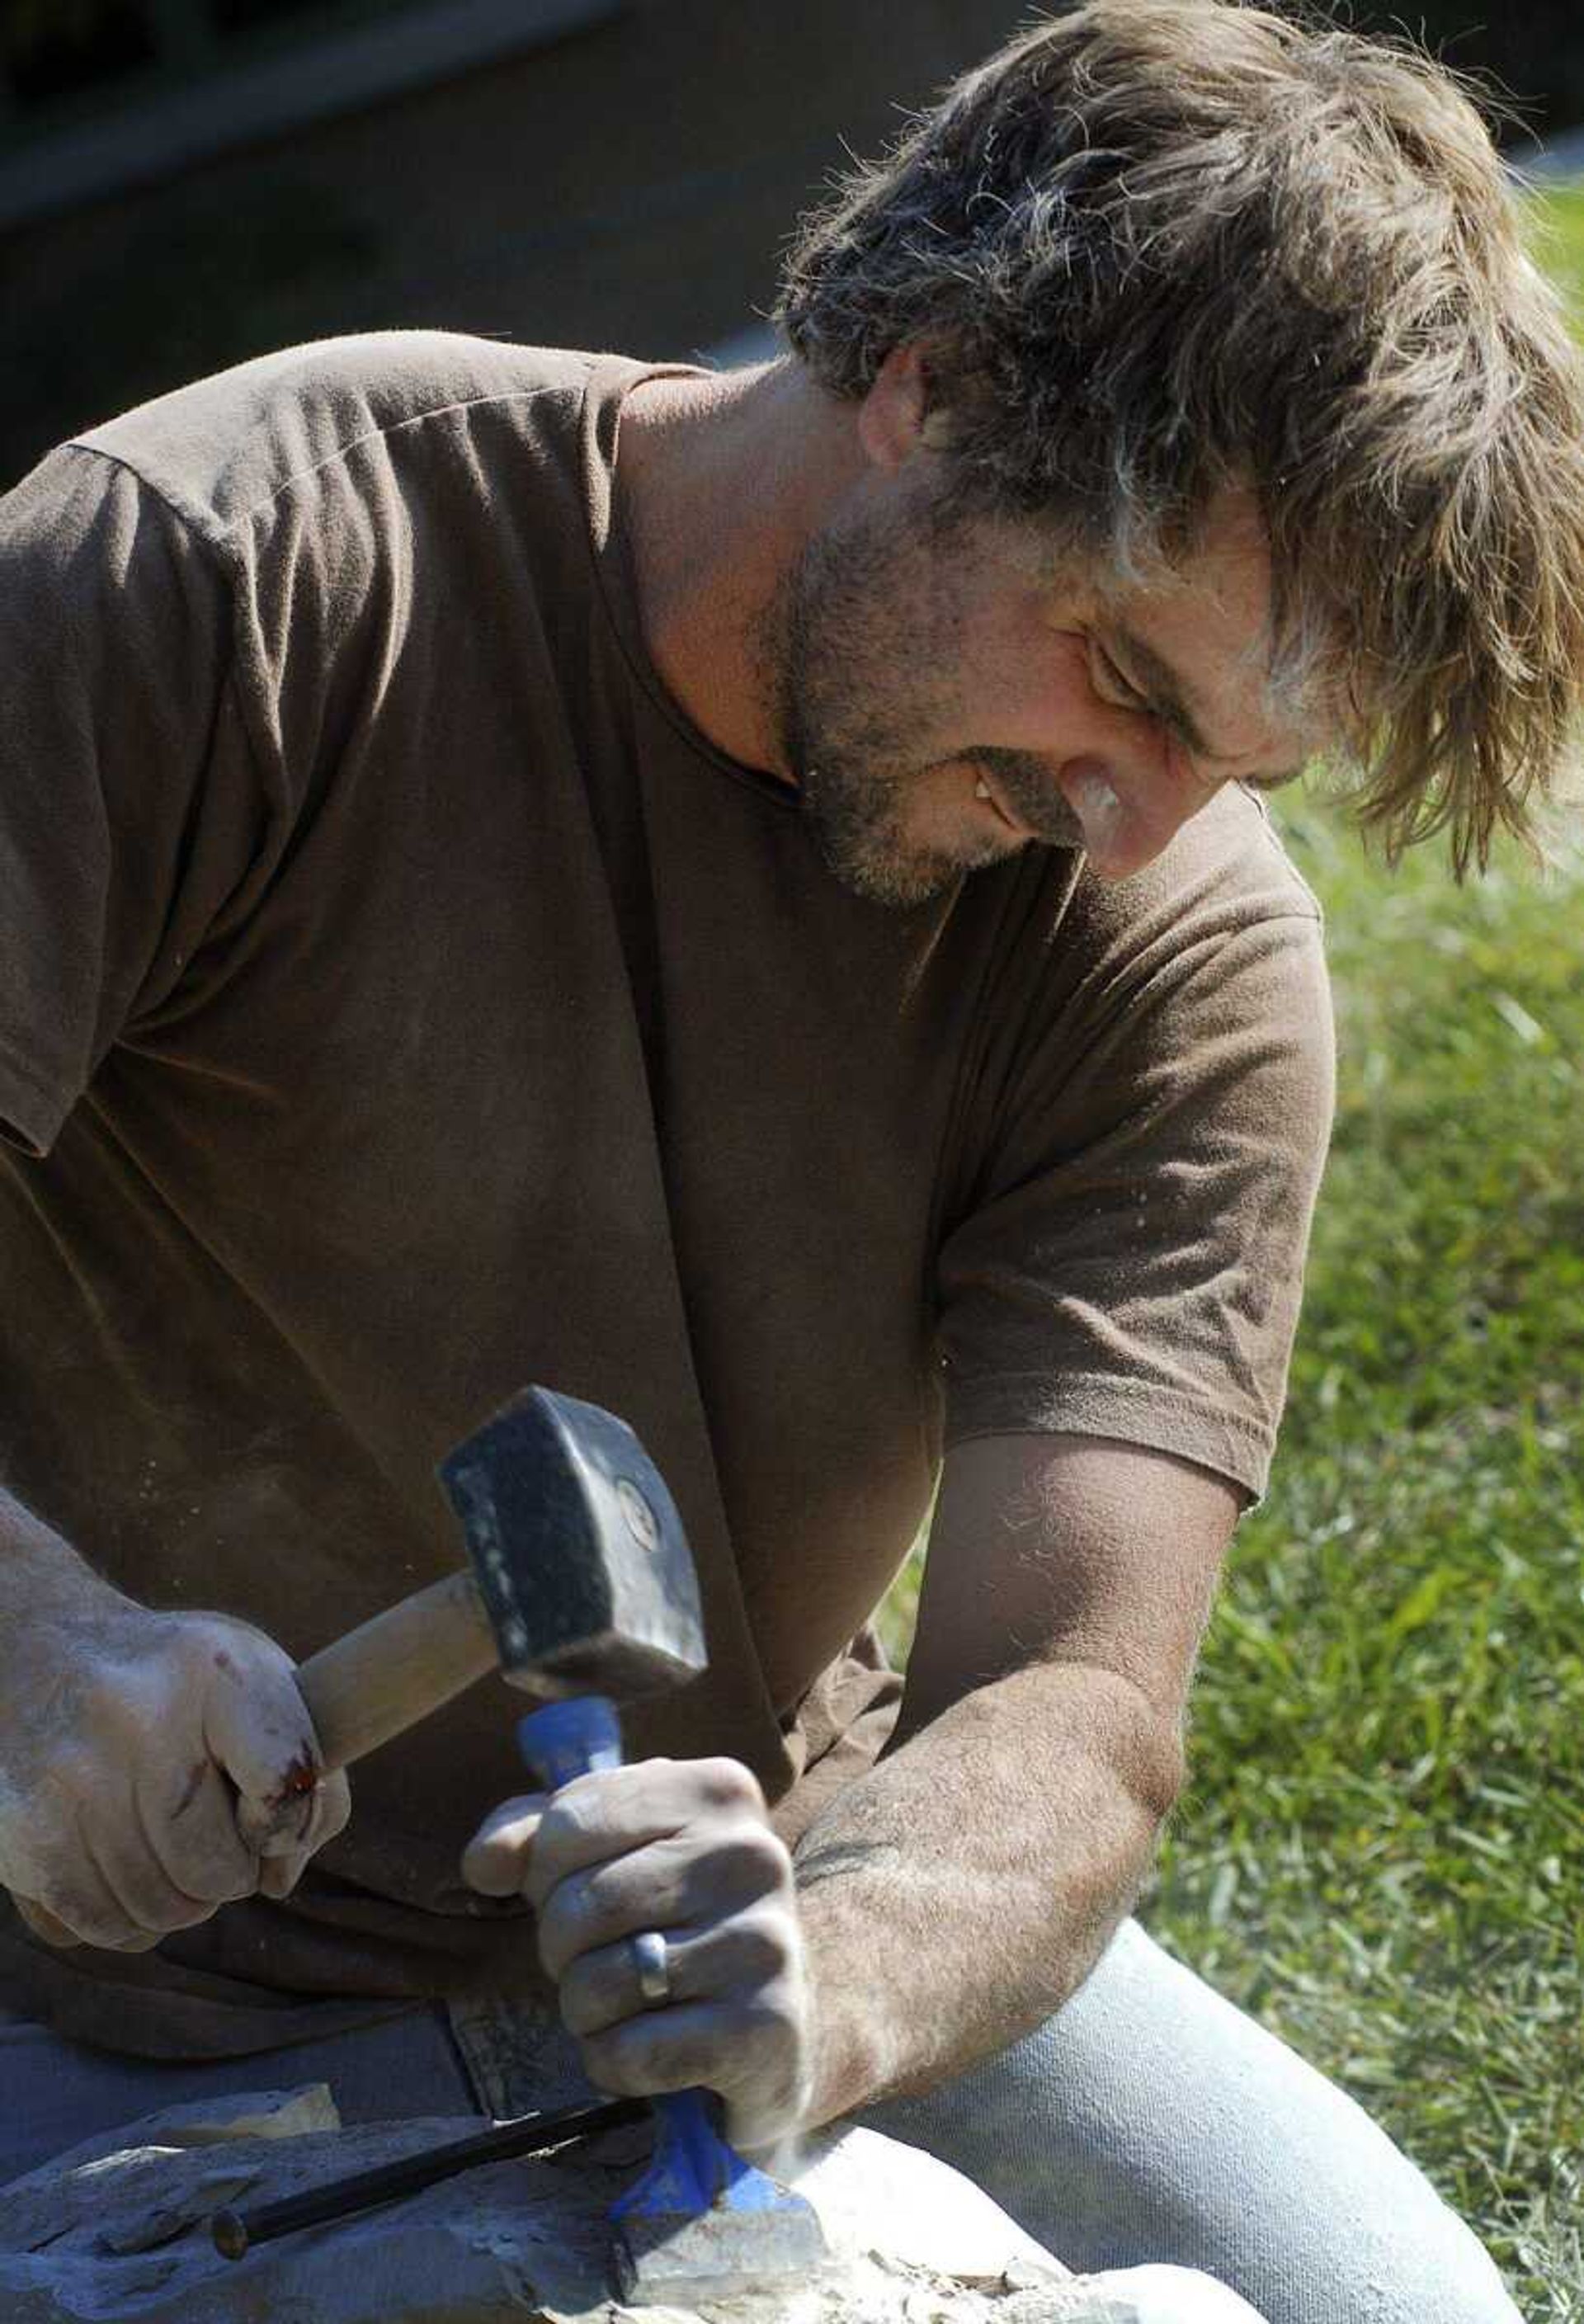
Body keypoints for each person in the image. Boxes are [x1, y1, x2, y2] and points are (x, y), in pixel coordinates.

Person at [0, 3, 1579, 2317]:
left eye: (1242, 764)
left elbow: (1072, 1704)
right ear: (931, 382)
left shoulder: (1172, 941)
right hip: (95, 1998)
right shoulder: (232, 569)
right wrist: (35, 1653)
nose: (1139, 826)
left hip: (756, 1930)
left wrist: (827, 1971)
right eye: (1130, 684)